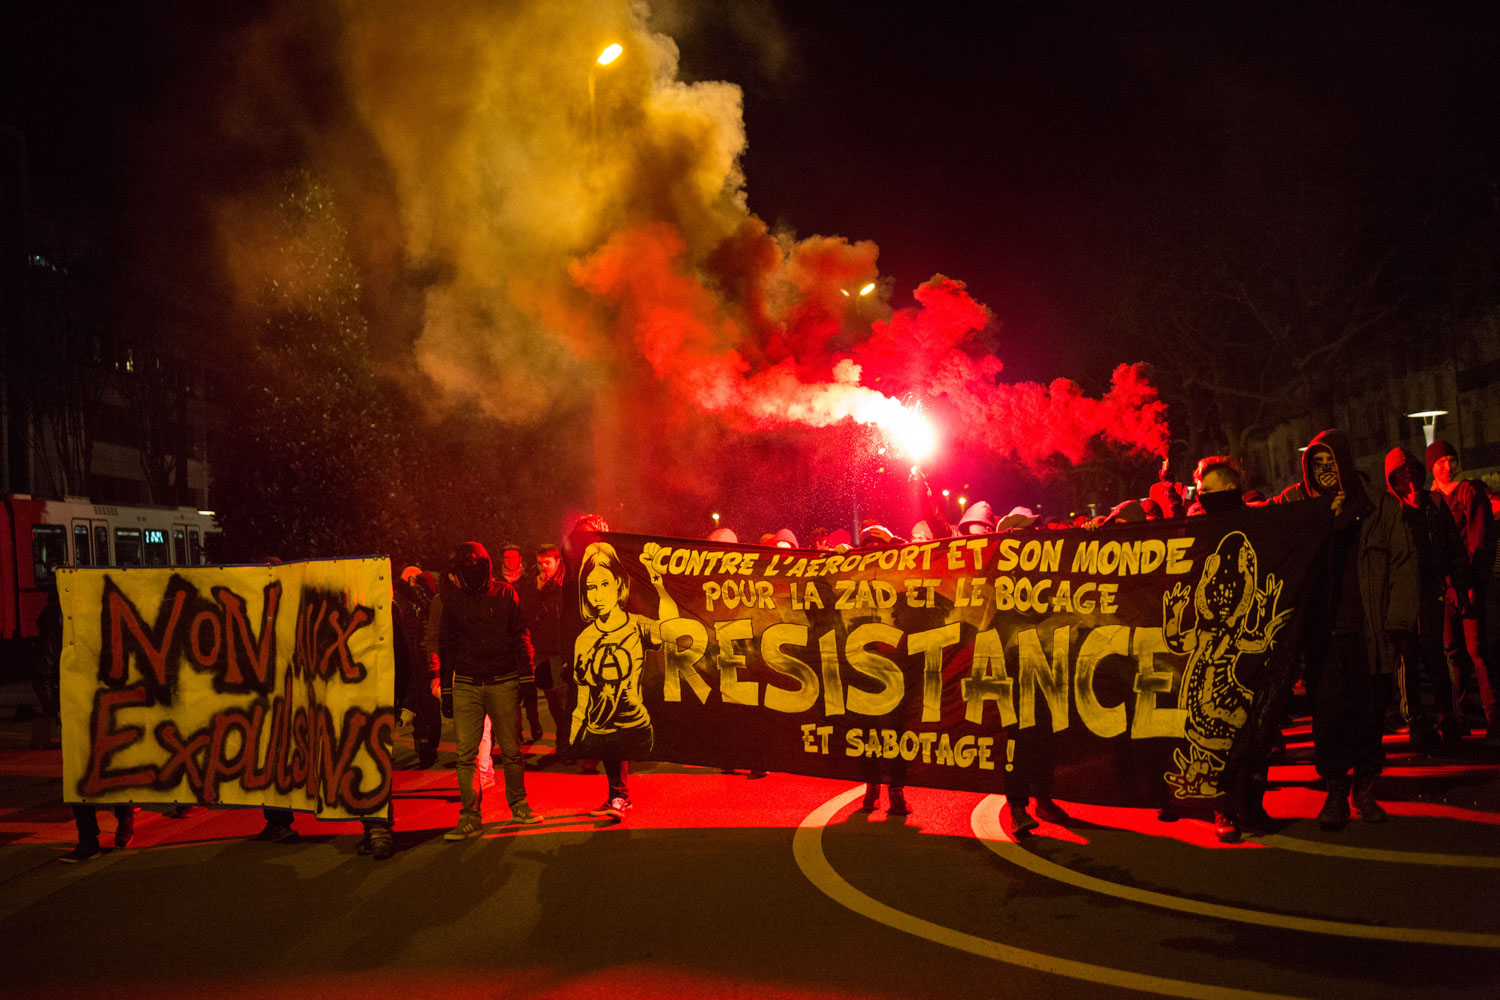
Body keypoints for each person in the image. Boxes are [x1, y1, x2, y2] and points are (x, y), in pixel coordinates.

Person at [1272, 429, 1417, 828]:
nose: (1324, 472)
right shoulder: (1296, 505)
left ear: (1345, 463)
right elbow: (1256, 528)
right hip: (1322, 635)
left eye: (1330, 463)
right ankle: (1335, 791)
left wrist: (1400, 623)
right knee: (1330, 713)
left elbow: (1403, 564)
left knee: (1370, 712)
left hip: (1369, 631)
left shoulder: (1378, 507)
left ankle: (1365, 787)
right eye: (1316, 465)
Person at [427, 541, 543, 838]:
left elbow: (521, 635)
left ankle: (518, 805)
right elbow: (447, 645)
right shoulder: (453, 601)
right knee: (467, 755)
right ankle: (470, 815)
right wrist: (448, 688)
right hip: (468, 683)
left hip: (501, 680)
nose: (472, 572)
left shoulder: (505, 593)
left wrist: (527, 679)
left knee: (512, 749)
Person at [571, 538, 678, 821]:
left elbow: (672, 630)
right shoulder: (585, 639)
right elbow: (583, 695)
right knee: (610, 744)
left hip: (636, 727)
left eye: (604, 584)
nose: (597, 595)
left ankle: (619, 796)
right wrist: (574, 737)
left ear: (619, 585)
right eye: (591, 587)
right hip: (602, 725)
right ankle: (618, 796)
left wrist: (658, 582)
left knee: (618, 742)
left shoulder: (637, 625)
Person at [1386, 447, 1469, 746]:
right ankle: (1418, 722)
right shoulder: (1389, 511)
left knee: (1436, 656)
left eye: (1413, 476)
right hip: (1402, 597)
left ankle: (1446, 716)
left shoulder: (1433, 504)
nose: (1409, 485)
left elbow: (1453, 546)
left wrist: (1457, 584)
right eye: (1401, 478)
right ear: (1392, 481)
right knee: (1407, 661)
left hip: (1431, 592)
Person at [1427, 440, 1499, 738]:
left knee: (1476, 650)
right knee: (1452, 652)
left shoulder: (1469, 493)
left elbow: (1479, 541)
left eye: (1450, 459)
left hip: (1467, 585)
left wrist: (1469, 584)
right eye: (1441, 461)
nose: (1447, 466)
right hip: (1445, 589)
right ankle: (1459, 718)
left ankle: (1493, 716)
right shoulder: (1430, 499)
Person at [521, 543, 569, 765]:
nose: (543, 567)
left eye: (547, 562)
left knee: (563, 701)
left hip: (562, 651)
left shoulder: (565, 583)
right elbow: (527, 617)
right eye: (540, 563)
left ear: (557, 562)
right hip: (544, 652)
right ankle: (565, 743)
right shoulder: (535, 585)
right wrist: (538, 592)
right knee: (554, 701)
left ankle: (566, 746)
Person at [498, 543, 544, 745]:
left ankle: (534, 722)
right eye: (507, 558)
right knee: (510, 691)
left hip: (524, 639)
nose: (510, 561)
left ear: (520, 559)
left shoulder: (526, 582)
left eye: (514, 557)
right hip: (504, 643)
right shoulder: (497, 583)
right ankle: (517, 729)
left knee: (528, 685)